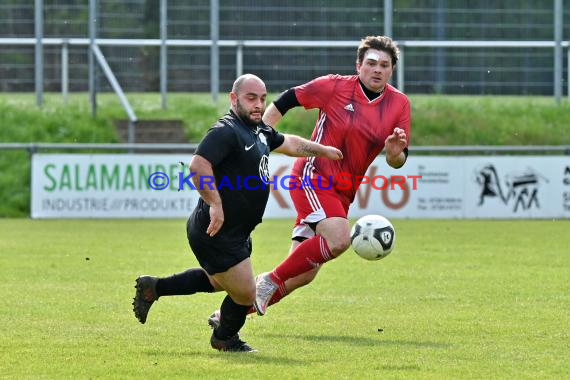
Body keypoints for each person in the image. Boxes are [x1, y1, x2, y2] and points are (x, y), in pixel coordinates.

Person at [132, 74, 342, 352]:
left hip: (236, 232)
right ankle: (225, 338)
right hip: (215, 230)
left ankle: (154, 288)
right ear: (234, 99)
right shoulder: (226, 131)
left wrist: (323, 150)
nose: (258, 105)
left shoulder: (260, 130)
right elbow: (198, 166)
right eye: (251, 98)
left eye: (263, 99)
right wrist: (215, 204)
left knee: (217, 281)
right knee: (246, 294)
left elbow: (290, 143)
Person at [249, 35, 411, 316]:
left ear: (391, 70)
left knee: (303, 274)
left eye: (384, 65)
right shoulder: (335, 86)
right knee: (338, 239)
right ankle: (268, 281)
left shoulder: (399, 104)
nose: (377, 69)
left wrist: (394, 152)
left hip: (344, 191)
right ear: (358, 65)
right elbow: (287, 99)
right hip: (313, 176)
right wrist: (258, 138)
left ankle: (231, 315)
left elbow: (397, 161)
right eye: (371, 63)